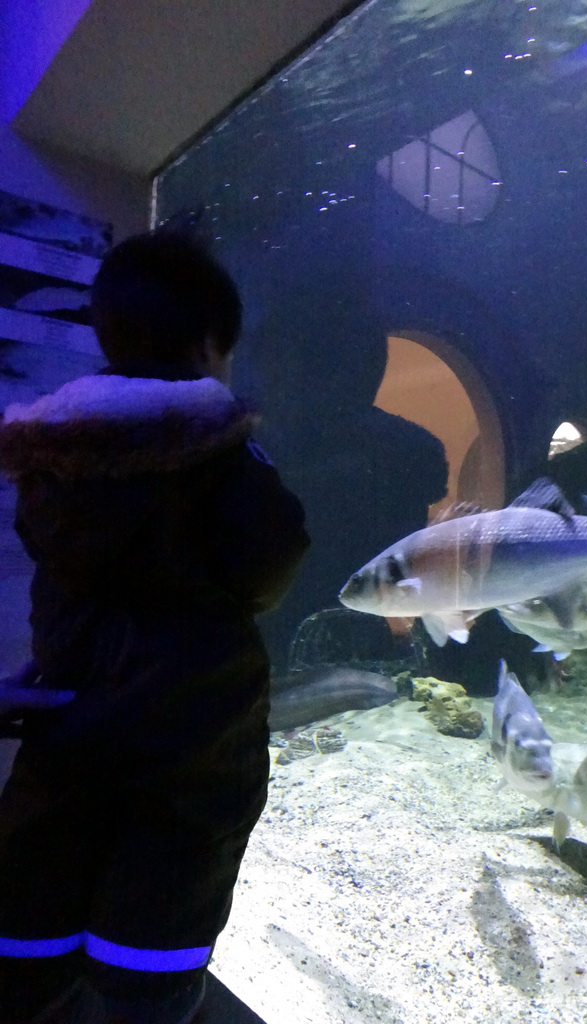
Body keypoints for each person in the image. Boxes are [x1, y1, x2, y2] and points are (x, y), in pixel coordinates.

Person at [0, 233, 309, 1024]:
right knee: (154, 953)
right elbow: (272, 564)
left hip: (64, 731)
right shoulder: (231, 462)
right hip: (192, 746)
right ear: (211, 345)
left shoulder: (52, 461)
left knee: (37, 920)